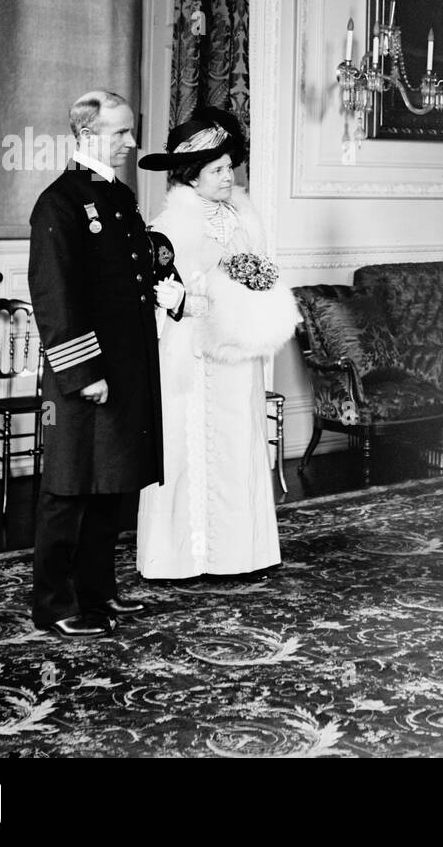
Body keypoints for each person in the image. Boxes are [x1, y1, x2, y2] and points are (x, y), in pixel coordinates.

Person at [28, 90, 186, 638]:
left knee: (110, 484)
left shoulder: (117, 196)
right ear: (87, 133)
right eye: (121, 132)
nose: (131, 141)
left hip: (123, 368)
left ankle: (98, 594)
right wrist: (81, 374)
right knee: (69, 489)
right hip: (86, 374)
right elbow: (54, 298)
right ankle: (54, 604)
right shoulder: (60, 202)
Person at [135, 107, 296, 579]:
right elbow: (158, 297)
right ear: (192, 176)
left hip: (238, 352)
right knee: (189, 448)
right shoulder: (168, 227)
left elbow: (260, 277)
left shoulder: (245, 218)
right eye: (218, 170)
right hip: (192, 352)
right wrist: (188, 301)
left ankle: (239, 555)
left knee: (239, 441)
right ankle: (184, 558)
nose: (229, 176)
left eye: (230, 167)